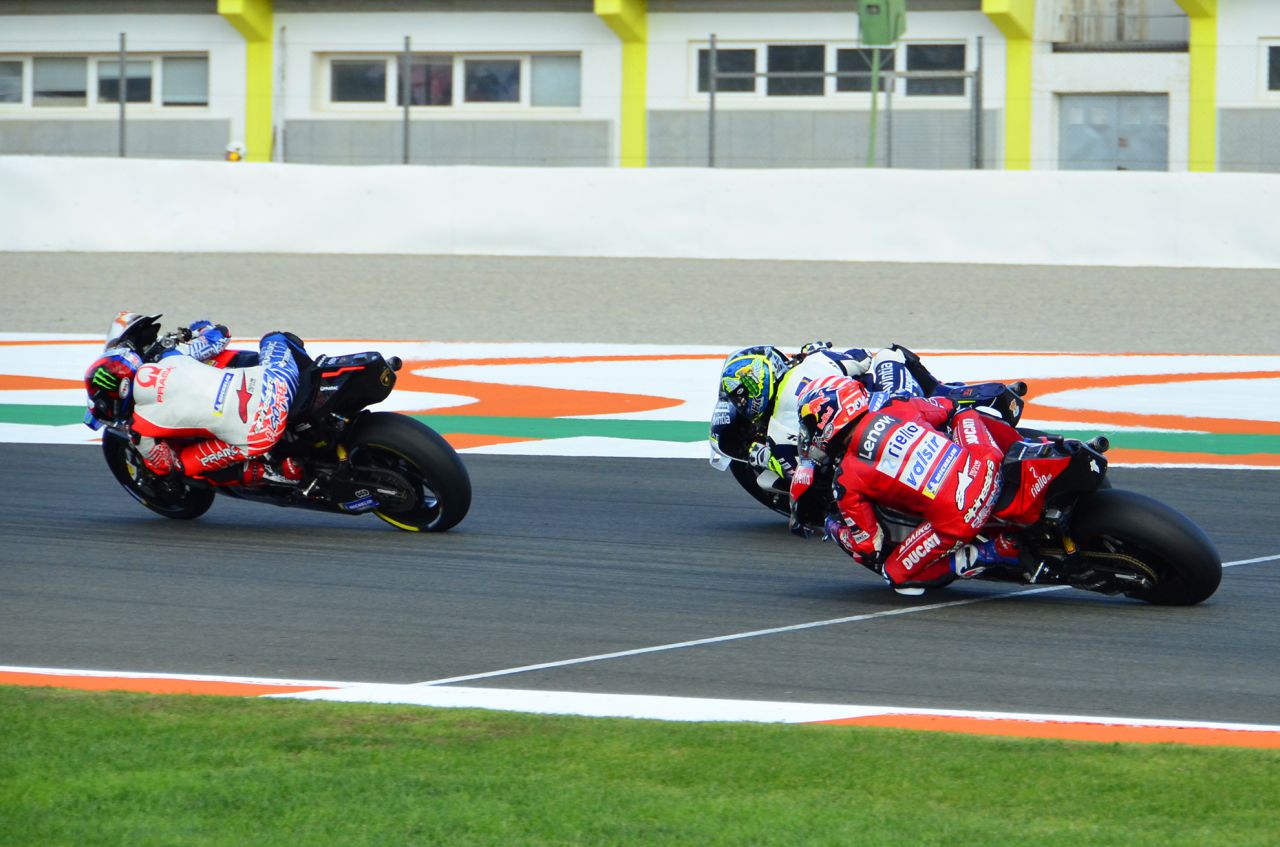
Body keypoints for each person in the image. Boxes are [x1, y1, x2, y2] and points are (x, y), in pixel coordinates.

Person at [792, 374, 1025, 595]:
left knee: (895, 575)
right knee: (964, 412)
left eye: (811, 424)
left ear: (827, 418)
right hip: (987, 464)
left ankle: (991, 552)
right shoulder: (896, 406)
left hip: (961, 517)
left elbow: (869, 546)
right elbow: (947, 406)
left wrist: (832, 528)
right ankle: (1025, 448)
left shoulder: (846, 479)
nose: (810, 432)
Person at [83, 312, 306, 486]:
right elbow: (221, 336)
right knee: (275, 338)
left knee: (182, 467)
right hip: (278, 382)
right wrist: (202, 329)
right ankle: (312, 377)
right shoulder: (169, 359)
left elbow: (164, 465)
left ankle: (271, 471)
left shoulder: (140, 428)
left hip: (262, 433)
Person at [714, 342, 924, 486]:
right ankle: (937, 391)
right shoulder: (816, 360)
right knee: (889, 354)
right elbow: (863, 357)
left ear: (757, 385)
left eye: (741, 398)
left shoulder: (777, 432)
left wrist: (761, 456)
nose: (740, 404)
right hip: (897, 407)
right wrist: (820, 352)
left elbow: (799, 476)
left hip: (873, 449)